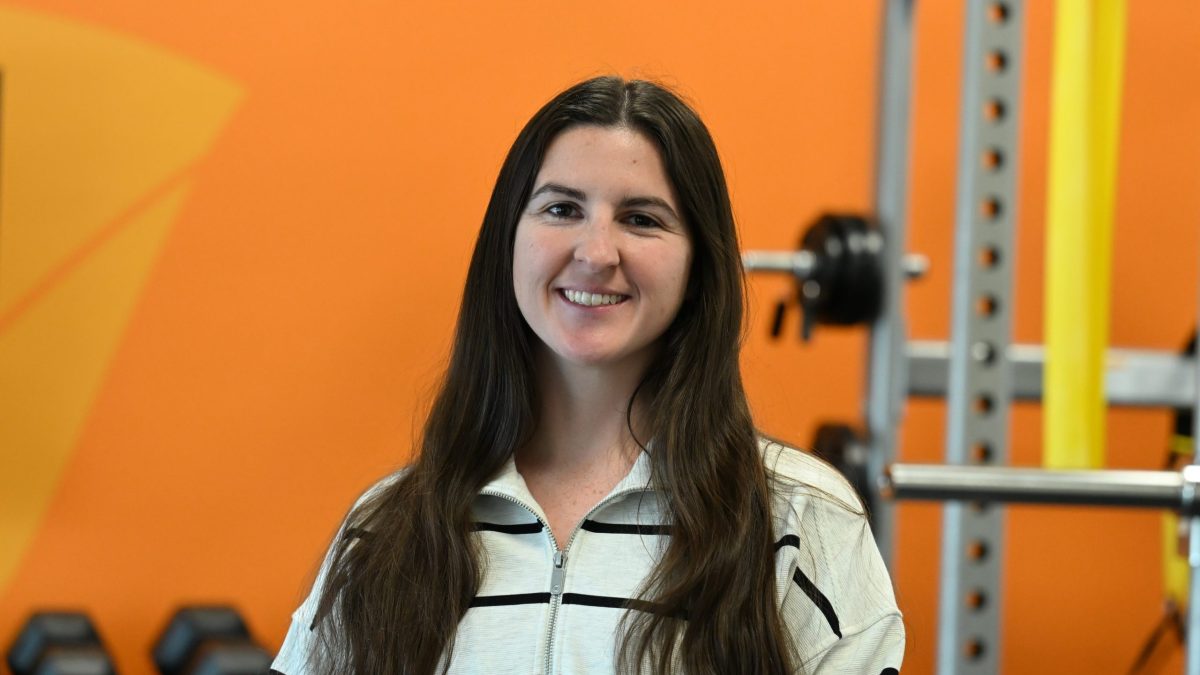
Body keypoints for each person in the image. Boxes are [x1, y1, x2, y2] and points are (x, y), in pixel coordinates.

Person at [271, 76, 904, 675]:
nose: (597, 253)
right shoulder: (386, 531)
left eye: (642, 219)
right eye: (561, 209)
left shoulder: (797, 520)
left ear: (698, 264)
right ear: (507, 243)